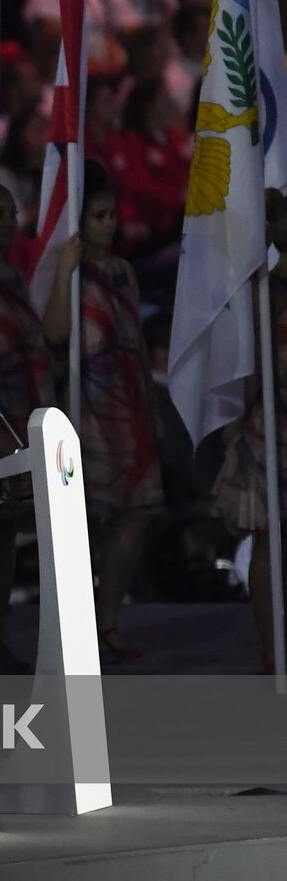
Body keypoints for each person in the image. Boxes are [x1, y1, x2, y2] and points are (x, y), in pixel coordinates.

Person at [42, 161, 163, 665]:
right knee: (88, 524)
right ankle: (80, 630)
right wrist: (66, 273)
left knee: (137, 514)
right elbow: (53, 335)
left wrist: (151, 410)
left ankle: (108, 619)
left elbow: (135, 344)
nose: (109, 224)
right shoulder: (67, 270)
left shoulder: (122, 272)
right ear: (80, 221)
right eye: (98, 216)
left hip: (129, 406)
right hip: (86, 411)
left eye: (112, 215)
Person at [0, 181, 55, 673]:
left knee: (4, 533)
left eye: (11, 212)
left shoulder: (14, 277)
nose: (7, 221)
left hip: (18, 413)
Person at [213, 190, 287, 672]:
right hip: (272, 431)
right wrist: (235, 435)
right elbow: (252, 373)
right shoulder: (267, 293)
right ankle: (271, 646)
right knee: (268, 537)